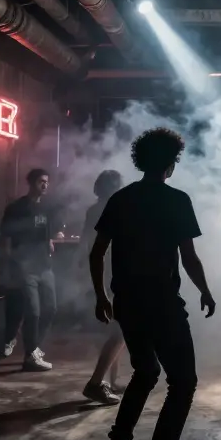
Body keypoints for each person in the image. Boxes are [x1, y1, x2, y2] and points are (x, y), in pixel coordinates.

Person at [89, 128, 216, 440]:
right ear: (170, 162)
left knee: (145, 372)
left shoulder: (121, 199)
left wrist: (101, 296)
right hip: (162, 302)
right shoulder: (177, 200)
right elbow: (188, 257)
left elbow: (97, 253)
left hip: (127, 302)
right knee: (184, 382)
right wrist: (205, 290)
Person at [0, 168, 64, 371]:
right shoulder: (16, 208)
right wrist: (7, 263)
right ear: (31, 183)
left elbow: (52, 232)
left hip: (45, 266)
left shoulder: (48, 207)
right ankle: (30, 356)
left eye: (46, 182)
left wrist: (53, 239)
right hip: (24, 267)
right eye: (40, 182)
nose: (44, 185)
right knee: (33, 311)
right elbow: (5, 237)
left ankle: (34, 347)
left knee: (51, 308)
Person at [81, 169, 126, 405]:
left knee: (117, 330)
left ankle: (111, 381)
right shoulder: (115, 208)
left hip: (101, 272)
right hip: (113, 274)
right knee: (121, 332)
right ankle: (96, 384)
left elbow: (84, 243)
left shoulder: (92, 210)